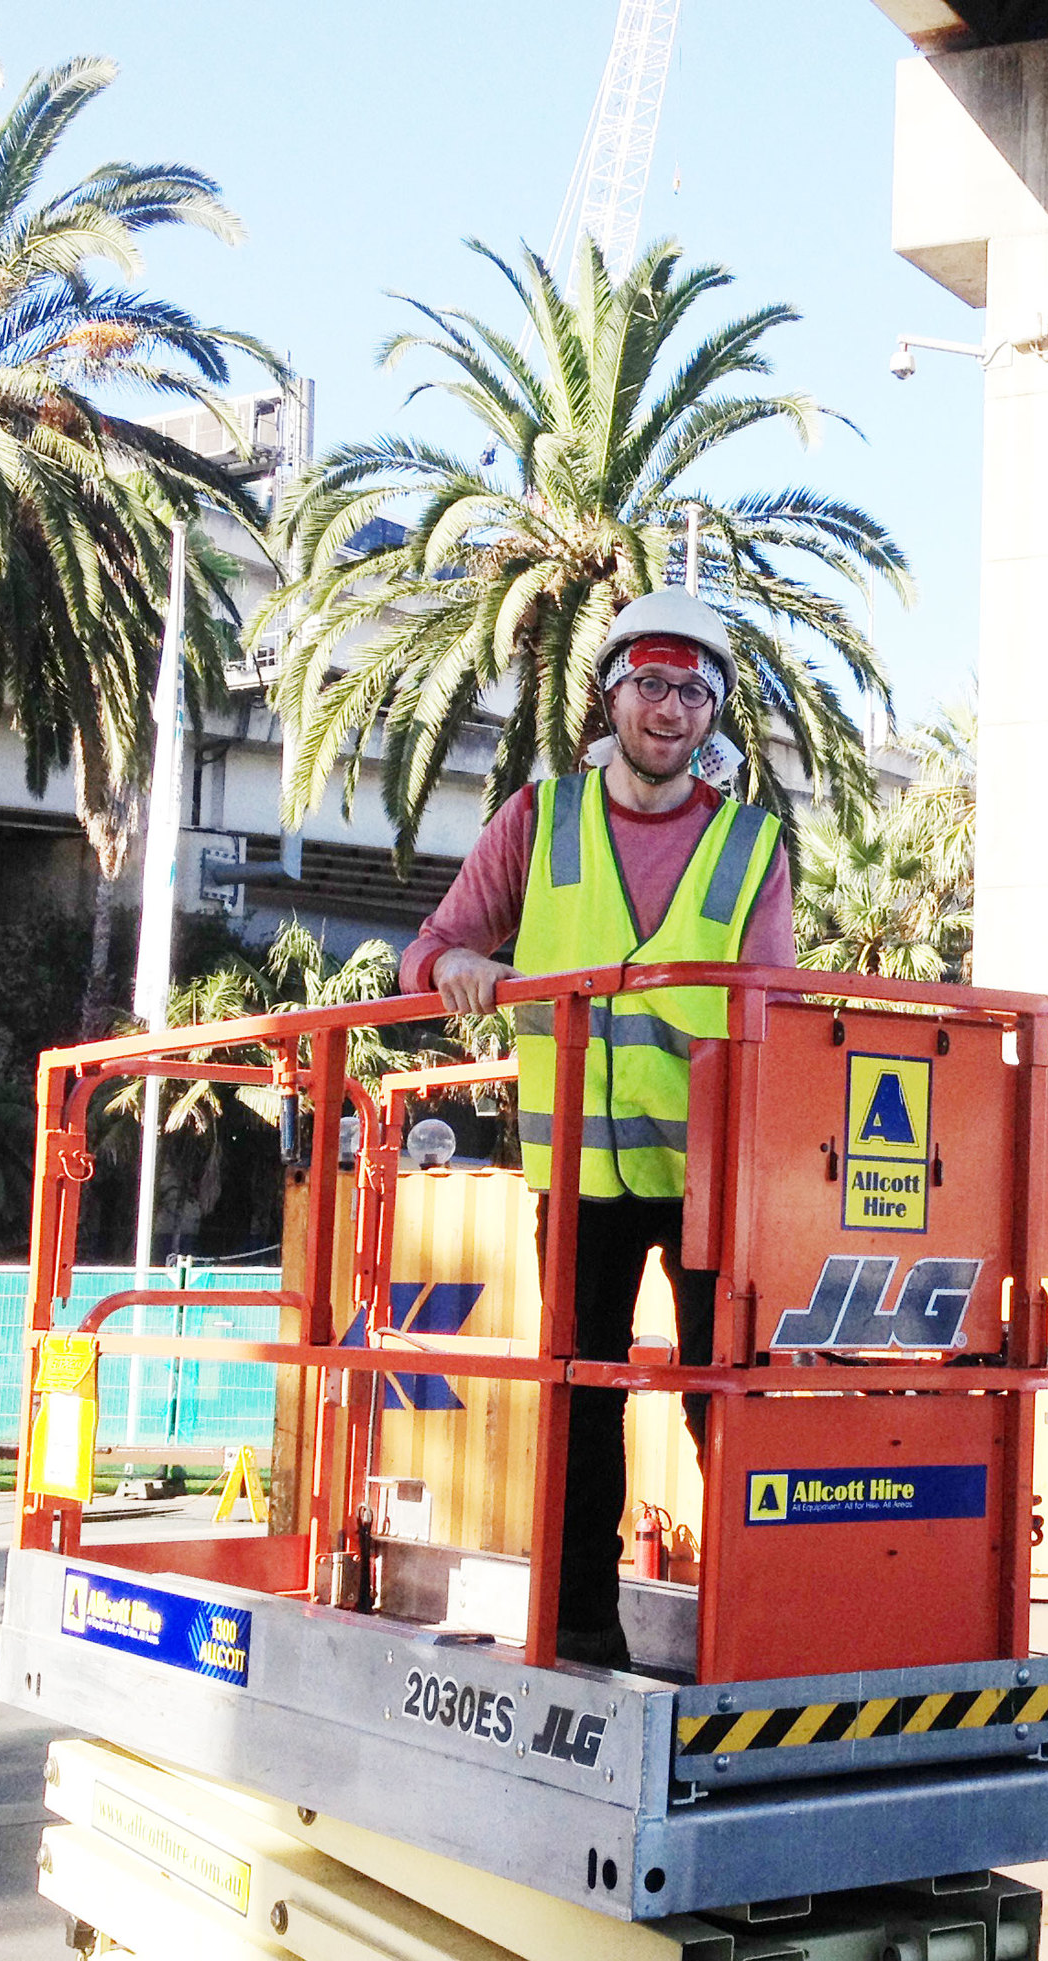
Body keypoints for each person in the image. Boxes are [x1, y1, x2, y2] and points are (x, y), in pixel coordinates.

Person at [398, 588, 796, 1671]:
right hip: (577, 1172)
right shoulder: (541, 818)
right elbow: (427, 948)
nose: (670, 708)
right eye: (651, 684)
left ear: (713, 714)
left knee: (733, 1402)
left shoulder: (749, 844)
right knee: (579, 1398)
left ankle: (755, 1626)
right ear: (612, 694)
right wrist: (459, 966)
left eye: (693, 691)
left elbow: (780, 1003)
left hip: (713, 1172)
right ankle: (578, 1632)